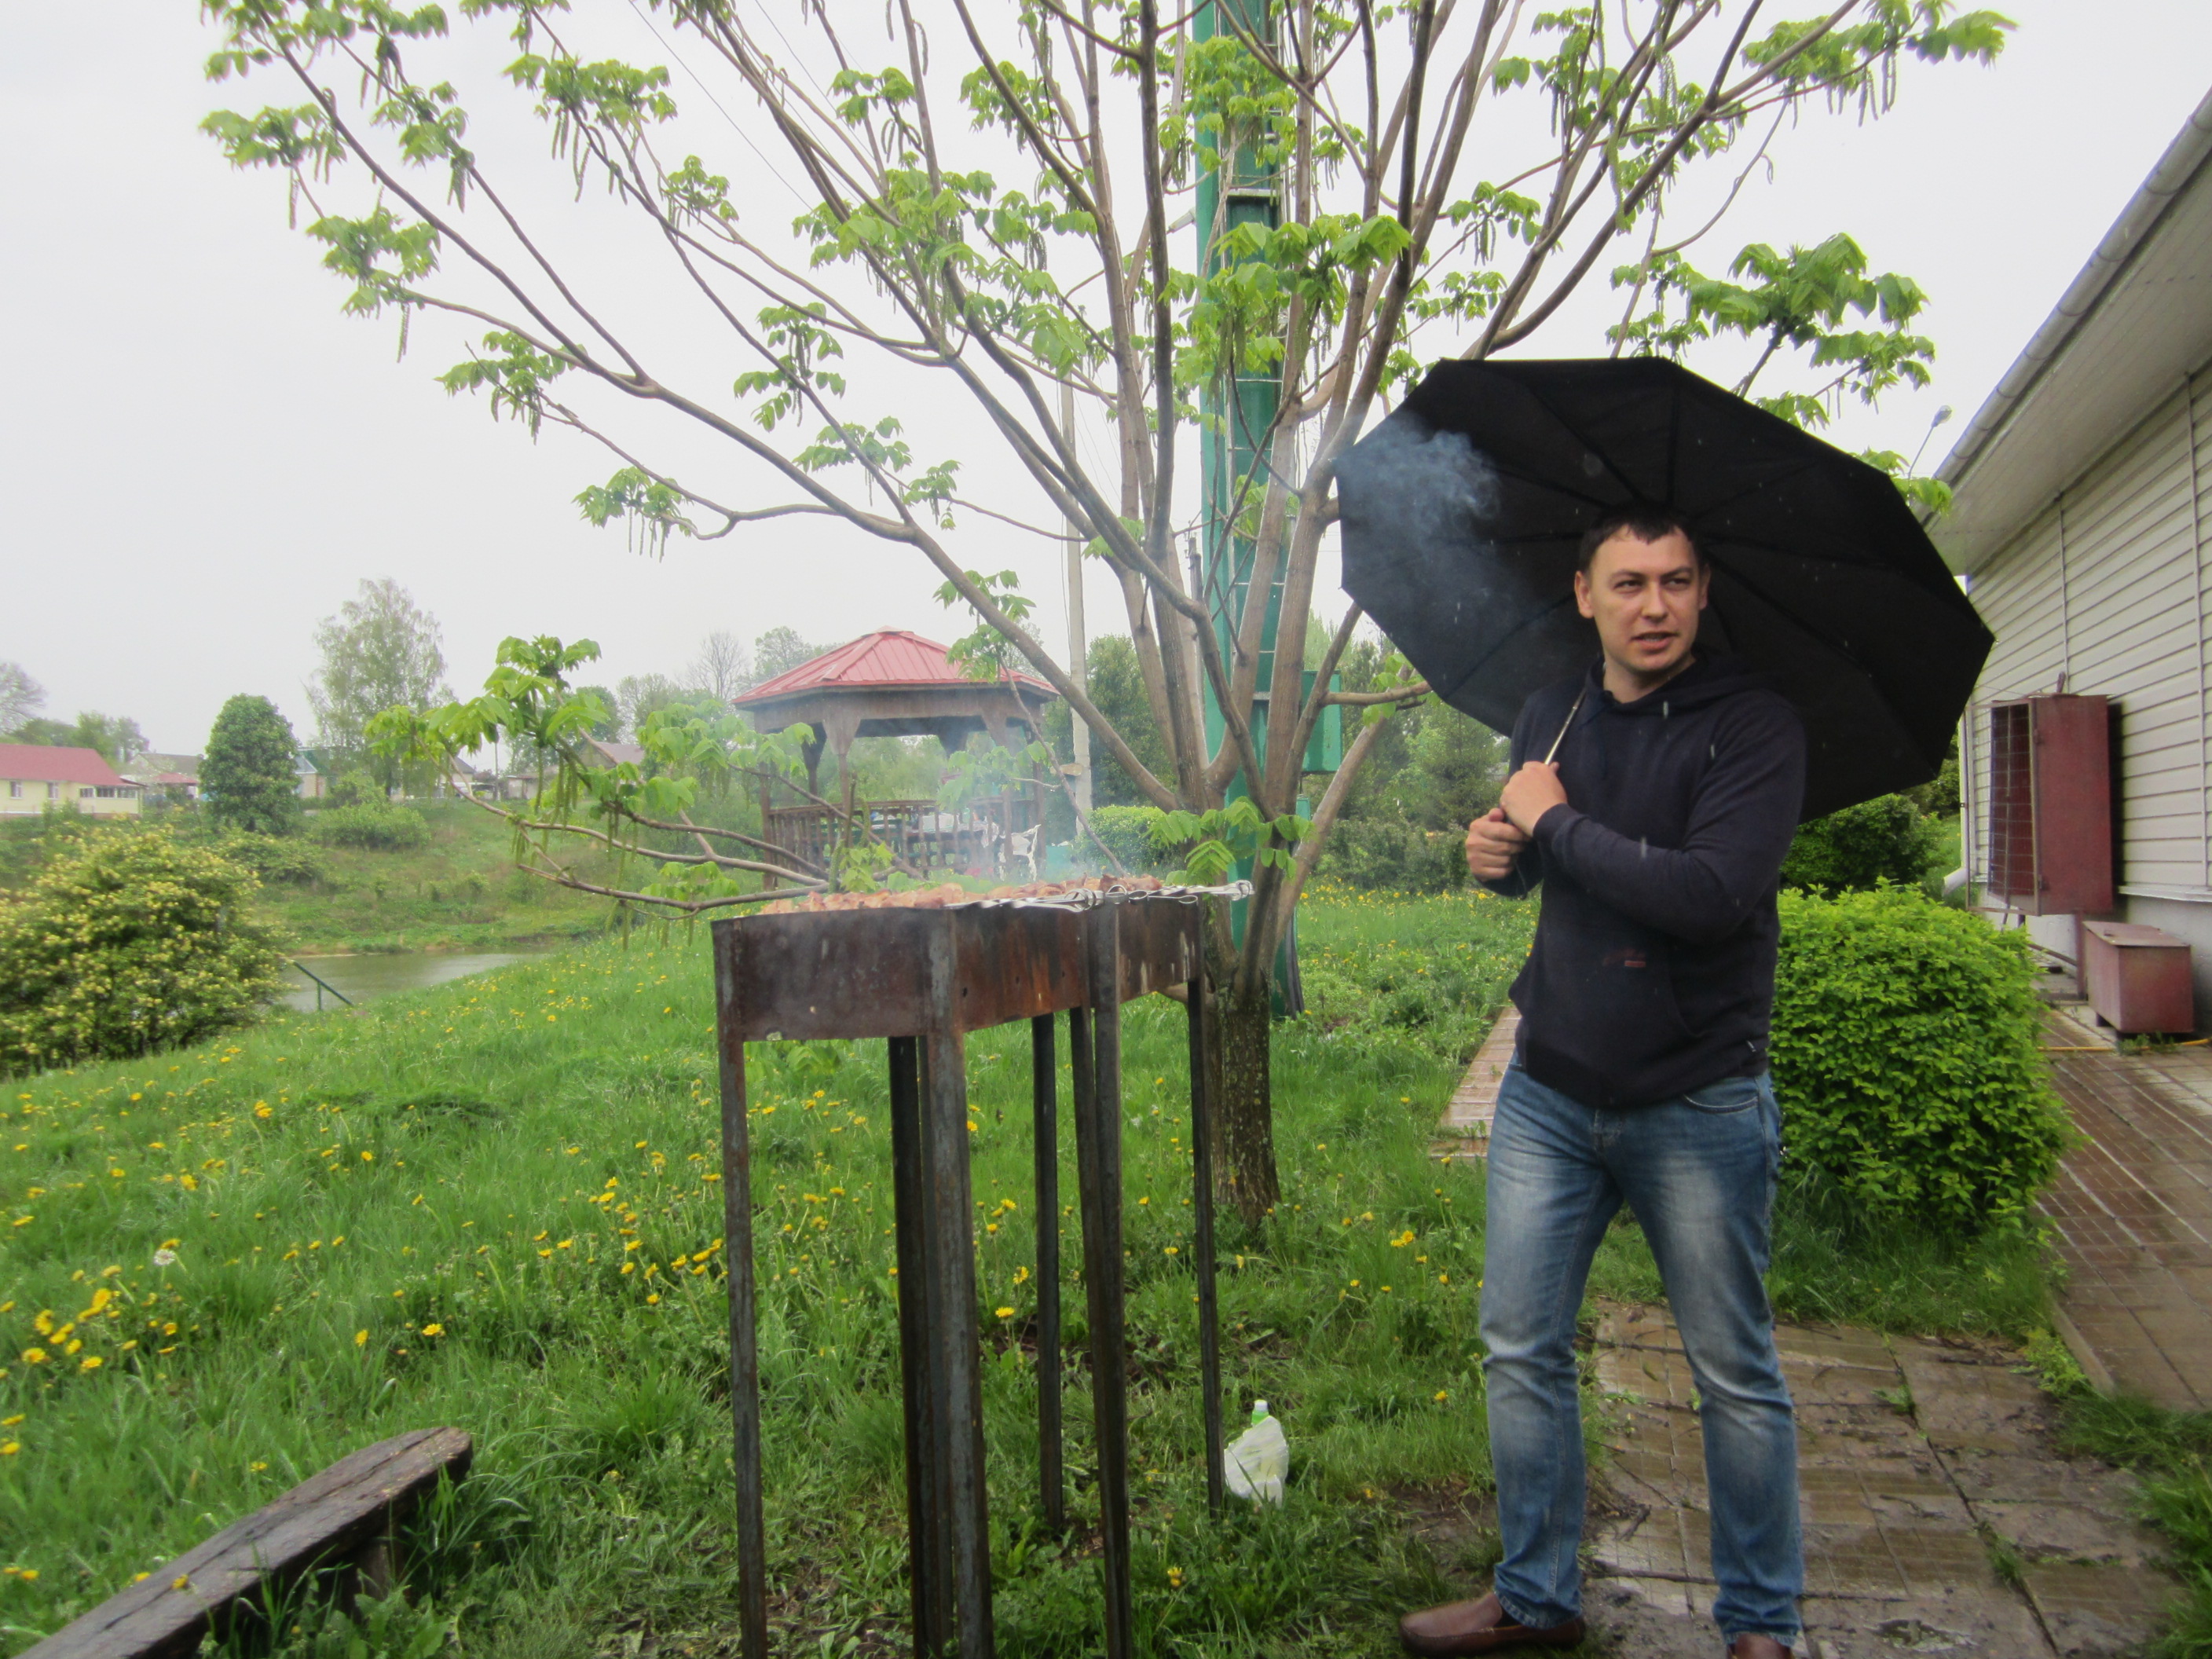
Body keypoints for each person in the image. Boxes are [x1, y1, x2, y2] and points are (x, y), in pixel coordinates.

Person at [1397, 507, 1807, 1659]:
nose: (1655, 606)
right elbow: (1542, 865)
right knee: (1521, 1347)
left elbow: (1706, 897)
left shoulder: (1756, 727)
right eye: (1628, 583)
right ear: (1585, 595)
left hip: (1699, 1097)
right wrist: (1498, 856)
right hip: (1551, 1091)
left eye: (1676, 581)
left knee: (1733, 1373)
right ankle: (1537, 1598)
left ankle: (1761, 1628)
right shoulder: (1554, 712)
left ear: (1705, 588)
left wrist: (1555, 820)